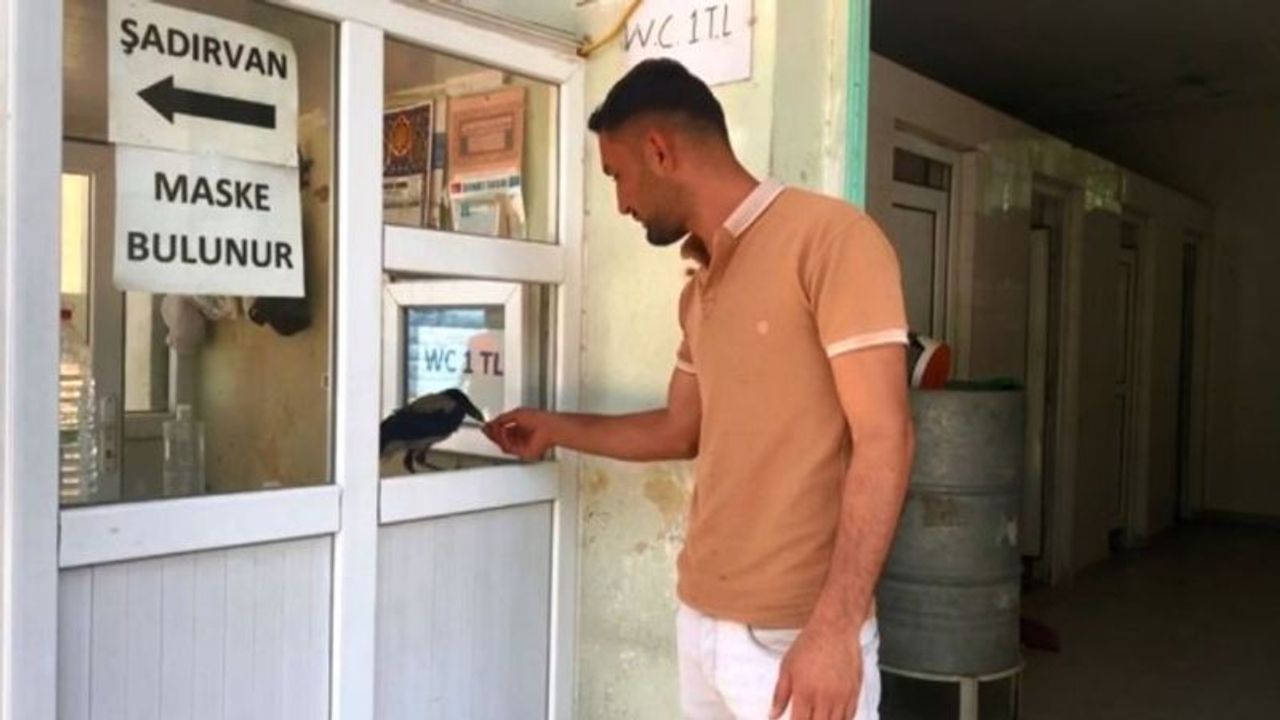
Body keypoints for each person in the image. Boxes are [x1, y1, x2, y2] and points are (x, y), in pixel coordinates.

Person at [484, 58, 914, 720]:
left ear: (659, 151)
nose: (620, 203)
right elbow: (678, 429)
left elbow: (886, 439)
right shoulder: (699, 287)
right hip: (704, 621)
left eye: (617, 175)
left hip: (797, 636)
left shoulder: (832, 240)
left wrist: (835, 628)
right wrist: (553, 427)